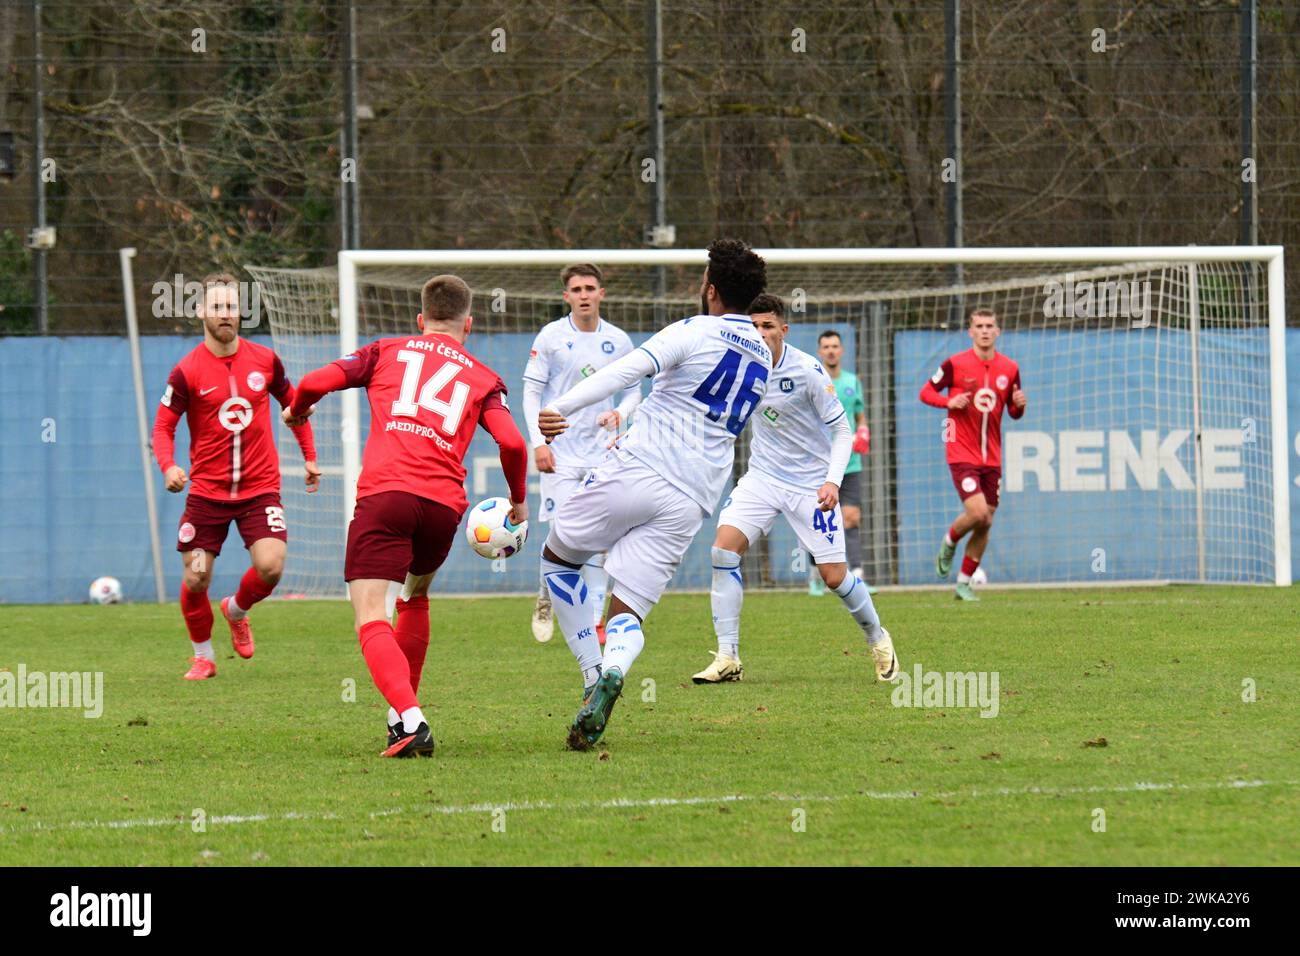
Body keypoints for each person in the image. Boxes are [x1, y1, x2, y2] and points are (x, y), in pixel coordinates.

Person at [536, 238, 770, 751]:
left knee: (558, 557)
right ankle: (616, 666)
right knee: (628, 610)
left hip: (641, 467)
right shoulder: (764, 357)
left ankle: (593, 673)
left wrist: (563, 406)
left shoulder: (693, 329)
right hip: (694, 498)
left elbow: (627, 372)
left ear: (710, 289)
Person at [285, 275, 528, 756]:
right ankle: (401, 720)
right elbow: (514, 443)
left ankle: (413, 720)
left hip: (387, 496)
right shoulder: (484, 377)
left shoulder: (385, 351)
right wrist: (518, 500)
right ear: (469, 324)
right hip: (443, 507)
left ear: (421, 320)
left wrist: (297, 410)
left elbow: (313, 383)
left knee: (371, 613)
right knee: (414, 597)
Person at [693, 294, 898, 685]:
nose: (759, 333)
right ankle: (728, 656)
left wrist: (832, 481)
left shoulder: (807, 370)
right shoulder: (739, 367)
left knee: (834, 577)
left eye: (767, 326)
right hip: (763, 479)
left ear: (783, 330)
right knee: (722, 551)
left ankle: (878, 638)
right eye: (752, 325)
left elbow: (842, 430)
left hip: (810, 485)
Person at [152, 272, 319, 681]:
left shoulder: (265, 360)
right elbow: (162, 427)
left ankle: (236, 610)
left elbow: (295, 405)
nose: (226, 314)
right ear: (200, 312)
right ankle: (203, 657)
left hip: (260, 490)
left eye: (231, 307)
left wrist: (309, 457)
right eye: (217, 307)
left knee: (272, 566)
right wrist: (169, 466)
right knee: (196, 576)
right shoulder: (186, 371)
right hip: (206, 494)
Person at [522, 263, 639, 645]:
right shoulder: (552, 337)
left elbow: (634, 391)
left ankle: (594, 621)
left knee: (599, 537)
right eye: (577, 289)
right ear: (566, 296)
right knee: (561, 532)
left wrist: (619, 413)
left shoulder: (619, 341)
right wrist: (538, 442)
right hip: (559, 451)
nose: (584, 294)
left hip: (602, 453)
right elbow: (531, 393)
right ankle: (544, 598)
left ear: (601, 293)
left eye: (590, 287)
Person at [919, 307, 1027, 601]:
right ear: (970, 332)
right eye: (978, 325)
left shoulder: (1009, 368)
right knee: (977, 512)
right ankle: (950, 540)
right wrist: (949, 401)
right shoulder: (955, 364)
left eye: (989, 325)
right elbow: (926, 392)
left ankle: (964, 583)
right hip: (961, 452)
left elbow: (1014, 413)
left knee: (987, 520)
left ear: (997, 331)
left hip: (991, 458)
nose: (984, 330)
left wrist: (1019, 404)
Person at [815, 330, 873, 592]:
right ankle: (817, 578)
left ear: (842, 350)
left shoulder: (852, 381)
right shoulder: (814, 379)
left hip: (849, 463)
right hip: (819, 463)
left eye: (835, 346)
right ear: (820, 352)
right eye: (826, 346)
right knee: (819, 520)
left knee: (851, 517)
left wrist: (863, 431)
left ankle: (857, 574)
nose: (830, 351)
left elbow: (859, 415)